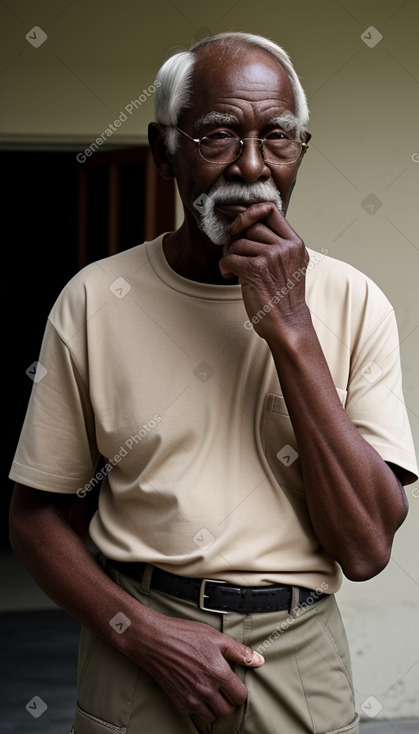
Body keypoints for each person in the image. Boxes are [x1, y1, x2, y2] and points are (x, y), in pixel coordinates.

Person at [8, 31, 418, 734]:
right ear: (164, 146)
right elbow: (34, 517)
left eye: (276, 137)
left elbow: (365, 549)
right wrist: (141, 634)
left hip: (298, 655)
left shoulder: (355, 302)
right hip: (137, 642)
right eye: (218, 135)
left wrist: (290, 330)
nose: (251, 166)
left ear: (301, 149)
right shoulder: (92, 299)